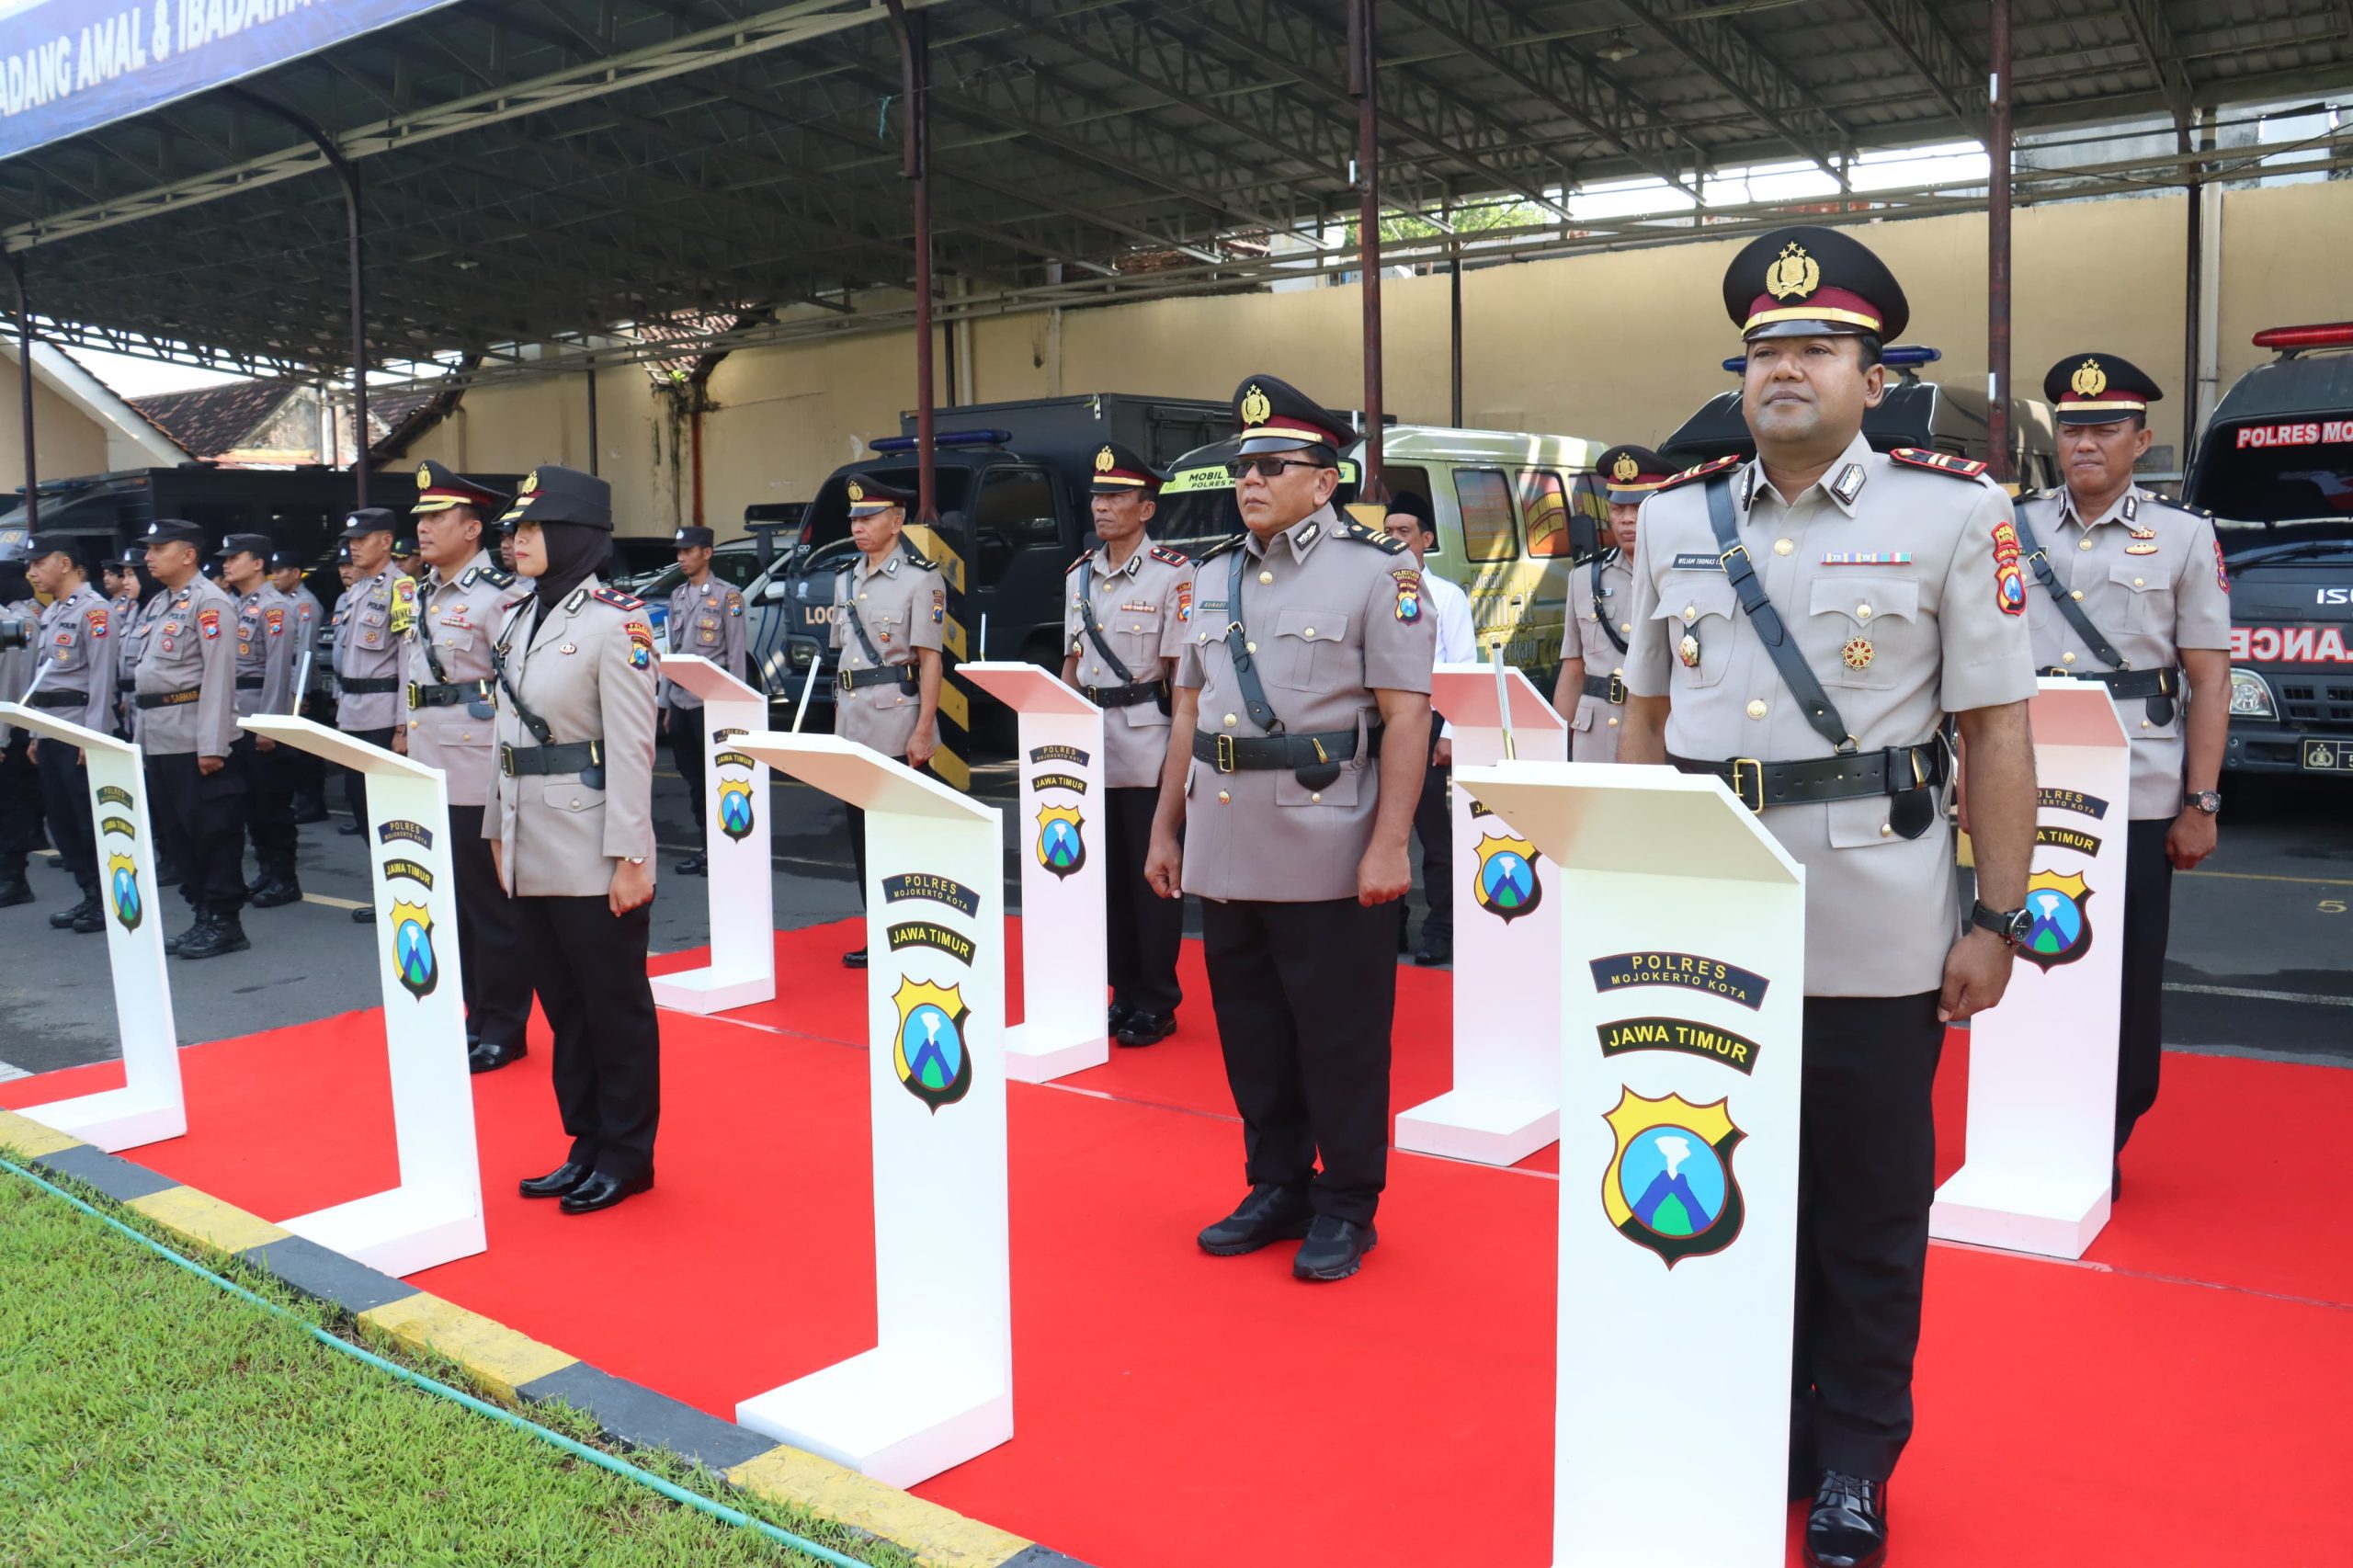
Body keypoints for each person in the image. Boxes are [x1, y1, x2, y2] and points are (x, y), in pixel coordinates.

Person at [1617, 226, 2039, 1568]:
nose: (1784, 367)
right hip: (1706, 925)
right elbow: (1641, 714)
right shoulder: (1677, 518)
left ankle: (1856, 1457)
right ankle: (1769, 1426)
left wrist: (1996, 914)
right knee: (1732, 1199)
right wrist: (1634, 881)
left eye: (1816, 347)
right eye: (1763, 350)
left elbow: (1998, 736)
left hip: (1873, 924)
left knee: (1862, 1216)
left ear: (1874, 376)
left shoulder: (1955, 513)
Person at [1143, 374, 1435, 1284]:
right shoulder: (1209, 575)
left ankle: (1347, 1200)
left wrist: (1391, 842)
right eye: (1243, 465)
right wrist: (1165, 831)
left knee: (1339, 1036)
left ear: (1326, 479)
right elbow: (1185, 719)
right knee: (1253, 1033)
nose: (1251, 478)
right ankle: (1276, 1182)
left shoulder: (1378, 575)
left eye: (1274, 463)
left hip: (1329, 841)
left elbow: (1407, 718)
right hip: (1228, 842)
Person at [2018, 353, 2233, 1188]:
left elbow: (2209, 679)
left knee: (2126, 969)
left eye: (2105, 428)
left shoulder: (2184, 536)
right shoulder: (2012, 528)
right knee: (2026, 949)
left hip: (2137, 791)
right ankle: (2029, 1118)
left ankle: (2111, 1120)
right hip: (2025, 780)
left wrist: (2201, 802)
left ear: (2141, 440)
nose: (2085, 443)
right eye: (2072, 428)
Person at [484, 465, 662, 1215]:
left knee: (612, 1006)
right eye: (515, 530)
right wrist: (496, 831)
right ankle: (584, 1144)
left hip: (593, 846)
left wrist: (632, 857)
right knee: (563, 1008)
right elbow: (501, 737)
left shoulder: (617, 623)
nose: (515, 541)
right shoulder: (518, 615)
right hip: (528, 840)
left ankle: (627, 1155)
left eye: (530, 529)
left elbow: (631, 749)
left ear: (574, 536)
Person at [402, 460, 535, 1074]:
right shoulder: (425, 592)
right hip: (432, 762)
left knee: (493, 905)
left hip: (479, 767)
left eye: (437, 517)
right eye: (421, 519)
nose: (423, 529)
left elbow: (519, 691)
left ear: (473, 529)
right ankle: (476, 1014)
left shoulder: (500, 598)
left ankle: (504, 1027)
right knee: (454, 903)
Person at [1061, 441, 1193, 1045]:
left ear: (1146, 508)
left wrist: (1178, 762)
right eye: (1097, 495)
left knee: (1151, 882)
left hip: (1145, 742)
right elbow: (1072, 663)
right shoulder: (1078, 575)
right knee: (1106, 879)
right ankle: (1122, 991)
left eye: (1115, 496)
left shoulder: (1173, 575)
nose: (1102, 506)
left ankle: (1157, 1001)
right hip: (1090, 743)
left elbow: (1180, 679)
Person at [829, 474, 944, 969]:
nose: (858, 526)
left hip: (896, 721)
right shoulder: (844, 578)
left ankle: (912, 931)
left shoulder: (921, 579)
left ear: (896, 521)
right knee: (862, 836)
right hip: (852, 720)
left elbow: (931, 660)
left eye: (868, 516)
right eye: (854, 518)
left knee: (901, 837)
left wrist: (924, 729)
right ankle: (879, 928)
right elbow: (842, 656)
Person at [133, 518, 254, 960]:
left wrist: (212, 744)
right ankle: (202, 913)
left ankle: (225, 922)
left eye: (158, 548)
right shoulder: (160, 603)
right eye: (149, 548)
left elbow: (219, 679)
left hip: (194, 739)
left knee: (212, 832)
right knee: (177, 834)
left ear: (187, 555)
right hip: (160, 736)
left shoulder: (210, 603)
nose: (148, 556)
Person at [1379, 488, 1472, 966]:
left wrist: (1451, 733)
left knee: (1435, 837)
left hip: (1431, 720)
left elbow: (1463, 665)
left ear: (1426, 538)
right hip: (1383, 723)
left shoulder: (1449, 596)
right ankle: (1387, 929)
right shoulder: (1376, 590)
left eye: (1405, 531)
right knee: (1380, 830)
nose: (1395, 538)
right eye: (1389, 531)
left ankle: (1442, 929)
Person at [20, 535, 119, 933]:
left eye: (38, 563)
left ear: (64, 564)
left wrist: (92, 737)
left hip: (77, 728)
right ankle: (89, 895)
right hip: (51, 729)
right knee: (61, 821)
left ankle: (106, 900)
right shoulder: (54, 612)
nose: (31, 572)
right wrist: (33, 732)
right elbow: (42, 678)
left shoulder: (95, 611)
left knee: (87, 822)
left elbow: (101, 678)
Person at [1554, 444, 1669, 763]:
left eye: (1638, 508)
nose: (1627, 520)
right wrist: (1554, 745)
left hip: (1657, 732)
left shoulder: (1679, 576)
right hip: (1593, 734)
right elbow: (1573, 669)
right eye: (1618, 510)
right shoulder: (1584, 577)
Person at [215, 533, 302, 908]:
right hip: (236, 715)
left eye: (235, 557)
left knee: (271, 804)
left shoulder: (274, 607)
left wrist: (269, 724)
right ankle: (267, 872)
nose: (226, 563)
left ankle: (284, 877)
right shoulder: (233, 605)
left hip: (260, 715)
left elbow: (279, 671)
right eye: (225, 557)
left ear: (257, 563)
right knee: (249, 803)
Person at [659, 524, 749, 877]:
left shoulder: (729, 597)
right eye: (679, 552)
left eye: (688, 551)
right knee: (695, 781)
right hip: (682, 703)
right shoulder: (677, 597)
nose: (682, 558)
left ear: (707, 553)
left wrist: (738, 709)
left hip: (713, 705)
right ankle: (707, 847)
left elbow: (737, 657)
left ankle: (727, 849)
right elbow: (674, 652)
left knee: (721, 780)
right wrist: (665, 705)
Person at [331, 509, 404, 922]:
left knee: (388, 813)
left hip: (382, 713)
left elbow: (409, 660)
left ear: (386, 541)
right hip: (354, 714)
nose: (353, 545)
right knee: (360, 808)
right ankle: (388, 888)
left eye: (363, 538)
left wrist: (401, 725)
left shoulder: (401, 588)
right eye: (351, 538)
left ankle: (403, 891)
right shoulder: (356, 592)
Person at [0, 548, 45, 910]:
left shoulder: (17, 621)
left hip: (12, 723)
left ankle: (14, 879)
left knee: (10, 805)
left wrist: (3, 733)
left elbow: (11, 685)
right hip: (11, 723)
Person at [272, 549, 330, 823]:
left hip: (302, 681)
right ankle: (300, 801)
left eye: (281, 571)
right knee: (290, 750)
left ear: (295, 574)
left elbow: (306, 649)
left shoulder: (305, 604)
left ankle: (312, 805)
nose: (275, 576)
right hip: (287, 678)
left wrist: (300, 691)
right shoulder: (280, 602)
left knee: (306, 751)